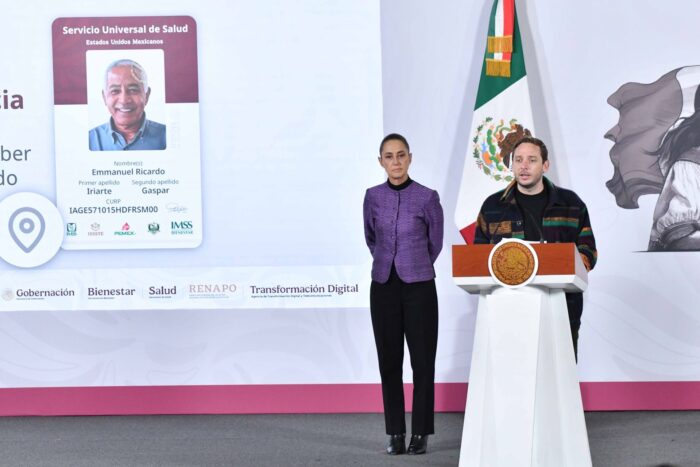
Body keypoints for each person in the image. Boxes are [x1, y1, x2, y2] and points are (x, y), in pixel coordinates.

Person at [473, 136, 597, 359]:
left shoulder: (571, 204)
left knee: (560, 369)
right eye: (518, 160)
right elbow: (477, 256)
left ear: (545, 165)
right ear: (512, 165)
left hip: (561, 306)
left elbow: (588, 250)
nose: (524, 166)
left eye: (532, 160)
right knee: (512, 367)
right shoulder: (493, 206)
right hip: (508, 306)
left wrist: (565, 266)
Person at [363, 133, 444, 455]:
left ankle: (420, 432)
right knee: (389, 361)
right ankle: (395, 432)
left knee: (422, 362)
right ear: (380, 161)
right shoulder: (372, 196)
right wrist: (388, 262)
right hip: (383, 285)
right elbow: (371, 238)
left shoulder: (427, 197)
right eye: (389, 156)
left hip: (419, 286)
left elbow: (435, 243)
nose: (395, 162)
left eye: (400, 155)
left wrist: (415, 263)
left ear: (409, 158)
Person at [89, 59, 166, 151]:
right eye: (115, 91)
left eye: (133, 90)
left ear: (147, 95)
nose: (124, 100)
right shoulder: (90, 140)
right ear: (104, 97)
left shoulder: (166, 137)